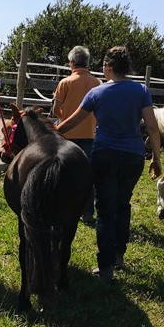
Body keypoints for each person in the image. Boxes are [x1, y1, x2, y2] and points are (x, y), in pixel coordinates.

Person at [56, 46, 162, 281]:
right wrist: (156, 158)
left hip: (104, 155)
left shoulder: (97, 93)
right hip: (134, 156)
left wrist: (49, 131)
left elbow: (71, 122)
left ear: (109, 67)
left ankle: (106, 268)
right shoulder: (141, 90)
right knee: (123, 204)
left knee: (105, 209)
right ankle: (119, 255)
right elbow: (152, 127)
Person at [52, 46, 101, 223]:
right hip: (89, 135)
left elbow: (56, 109)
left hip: (67, 135)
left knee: (64, 173)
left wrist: (63, 117)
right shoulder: (97, 83)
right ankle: (88, 212)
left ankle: (64, 208)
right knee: (87, 174)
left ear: (72, 63)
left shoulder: (65, 83)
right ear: (87, 63)